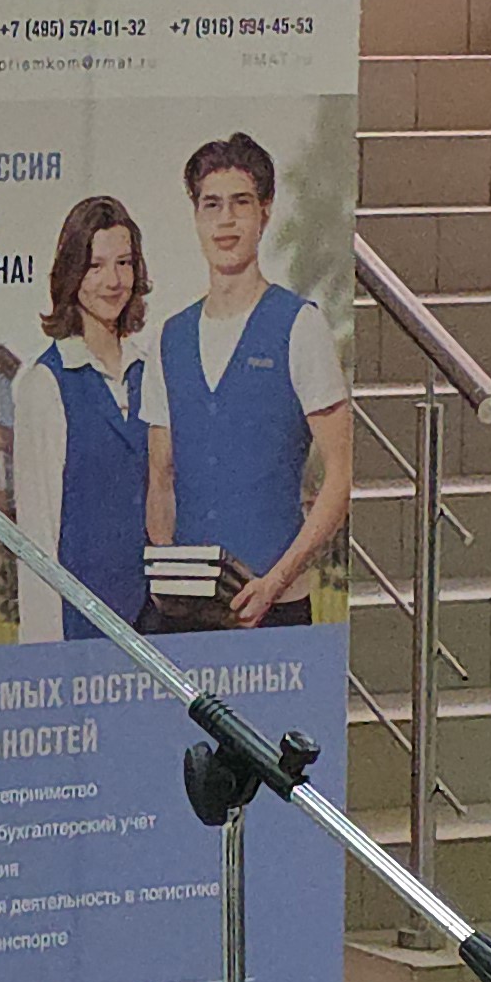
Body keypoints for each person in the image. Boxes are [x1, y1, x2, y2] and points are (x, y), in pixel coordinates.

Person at [152, 134, 352, 630]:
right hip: (187, 609)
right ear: (196, 216)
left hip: (277, 604)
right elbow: (161, 476)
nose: (226, 220)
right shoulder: (170, 338)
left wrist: (276, 582)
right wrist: (167, 578)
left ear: (265, 211)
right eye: (212, 205)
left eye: (240, 203)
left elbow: (340, 475)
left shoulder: (299, 325)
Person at [14, 195, 172, 641]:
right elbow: (37, 536)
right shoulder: (45, 384)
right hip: (80, 630)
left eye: (124, 263)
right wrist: (44, 655)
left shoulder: (152, 372)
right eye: (95, 266)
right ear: (71, 274)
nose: (113, 281)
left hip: (158, 625)